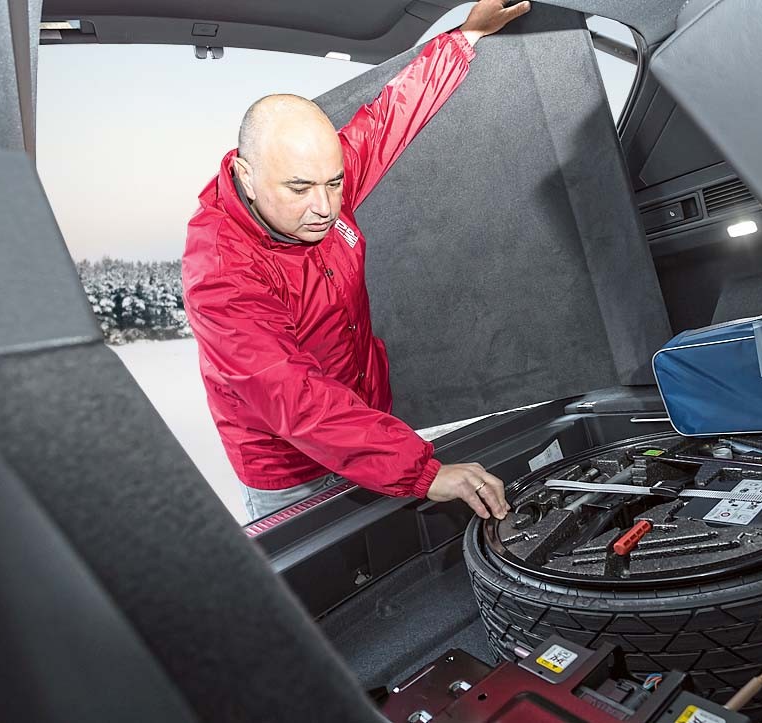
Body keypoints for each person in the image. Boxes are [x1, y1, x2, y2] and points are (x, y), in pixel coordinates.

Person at [183, 0, 530, 521]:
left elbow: (389, 119)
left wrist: (466, 37)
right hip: (291, 470)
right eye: (300, 188)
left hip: (365, 429)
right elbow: (292, 396)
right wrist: (420, 470)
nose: (325, 208)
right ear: (247, 178)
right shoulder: (220, 269)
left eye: (334, 183)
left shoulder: (317, 187)